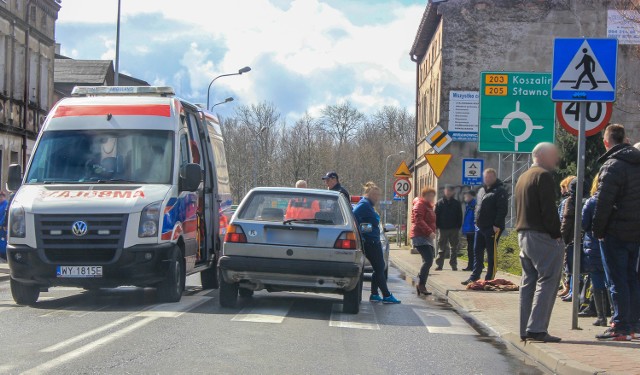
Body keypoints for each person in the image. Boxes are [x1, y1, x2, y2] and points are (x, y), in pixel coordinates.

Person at [592, 124, 640, 341]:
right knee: (631, 278)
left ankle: (620, 325)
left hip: (615, 232)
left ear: (606, 141)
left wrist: (598, 231)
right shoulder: (637, 164)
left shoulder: (612, 165)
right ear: (626, 139)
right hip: (635, 232)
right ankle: (631, 325)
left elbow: (603, 202)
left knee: (616, 279)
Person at [515, 142, 563, 343]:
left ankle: (525, 328)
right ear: (542, 156)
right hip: (541, 236)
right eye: (553, 156)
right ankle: (536, 328)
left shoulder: (522, 177)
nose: (556, 160)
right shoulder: (543, 176)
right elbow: (549, 210)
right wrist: (556, 234)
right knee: (548, 279)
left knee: (528, 282)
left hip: (523, 235)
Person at [353, 182, 400, 304]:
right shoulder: (363, 204)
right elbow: (353, 216)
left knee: (378, 268)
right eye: (375, 195)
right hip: (370, 242)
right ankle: (386, 295)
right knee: (380, 268)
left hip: (373, 240)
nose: (377, 198)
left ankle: (374, 294)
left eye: (378, 195)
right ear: (368, 194)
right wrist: (361, 232)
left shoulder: (368, 205)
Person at [462, 169, 508, 285]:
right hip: (479, 227)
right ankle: (474, 277)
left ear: (494, 177)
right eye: (485, 177)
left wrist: (496, 225)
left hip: (492, 227)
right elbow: (478, 207)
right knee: (477, 251)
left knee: (491, 253)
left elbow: (502, 209)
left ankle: (489, 278)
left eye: (490, 177)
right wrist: (475, 222)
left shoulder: (500, 191)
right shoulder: (481, 190)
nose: (487, 179)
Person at [582, 174, 610, 327]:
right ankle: (615, 316)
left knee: (597, 280)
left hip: (592, 246)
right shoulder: (615, 201)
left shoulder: (591, 202)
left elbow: (583, 223)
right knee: (612, 281)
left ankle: (601, 317)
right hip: (610, 245)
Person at [411, 187, 437, 296]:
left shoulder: (429, 206)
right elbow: (418, 220)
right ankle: (421, 284)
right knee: (428, 260)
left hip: (427, 236)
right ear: (424, 195)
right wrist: (429, 231)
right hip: (420, 236)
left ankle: (420, 282)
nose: (432, 198)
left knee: (429, 258)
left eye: (433, 196)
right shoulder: (420, 204)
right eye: (430, 195)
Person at [434, 184, 462, 271]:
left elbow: (460, 216)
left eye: (450, 190)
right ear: (445, 191)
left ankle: (454, 265)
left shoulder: (456, 203)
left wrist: (458, 226)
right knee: (441, 248)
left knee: (453, 248)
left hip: (454, 228)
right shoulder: (440, 203)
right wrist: (436, 226)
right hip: (442, 229)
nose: (448, 192)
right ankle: (439, 265)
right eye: (447, 190)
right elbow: (435, 216)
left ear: (453, 192)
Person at [559, 178, 578, 303]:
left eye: (562, 187)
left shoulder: (569, 201)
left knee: (571, 265)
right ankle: (569, 288)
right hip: (573, 237)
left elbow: (565, 219)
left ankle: (571, 290)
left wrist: (562, 237)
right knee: (570, 265)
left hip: (570, 237)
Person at [461, 191, 477, 272]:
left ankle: (473, 266)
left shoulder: (474, 205)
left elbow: (474, 218)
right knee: (470, 249)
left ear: (470, 196)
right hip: (469, 230)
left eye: (466, 197)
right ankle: (472, 265)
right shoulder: (469, 205)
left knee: (473, 249)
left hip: (473, 230)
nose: (465, 198)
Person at [0, 191, 8, 260]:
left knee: (3, 240)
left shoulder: (6, 204)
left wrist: (1, 224)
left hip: (3, 227)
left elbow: (5, 216)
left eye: (1, 196)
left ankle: (4, 255)